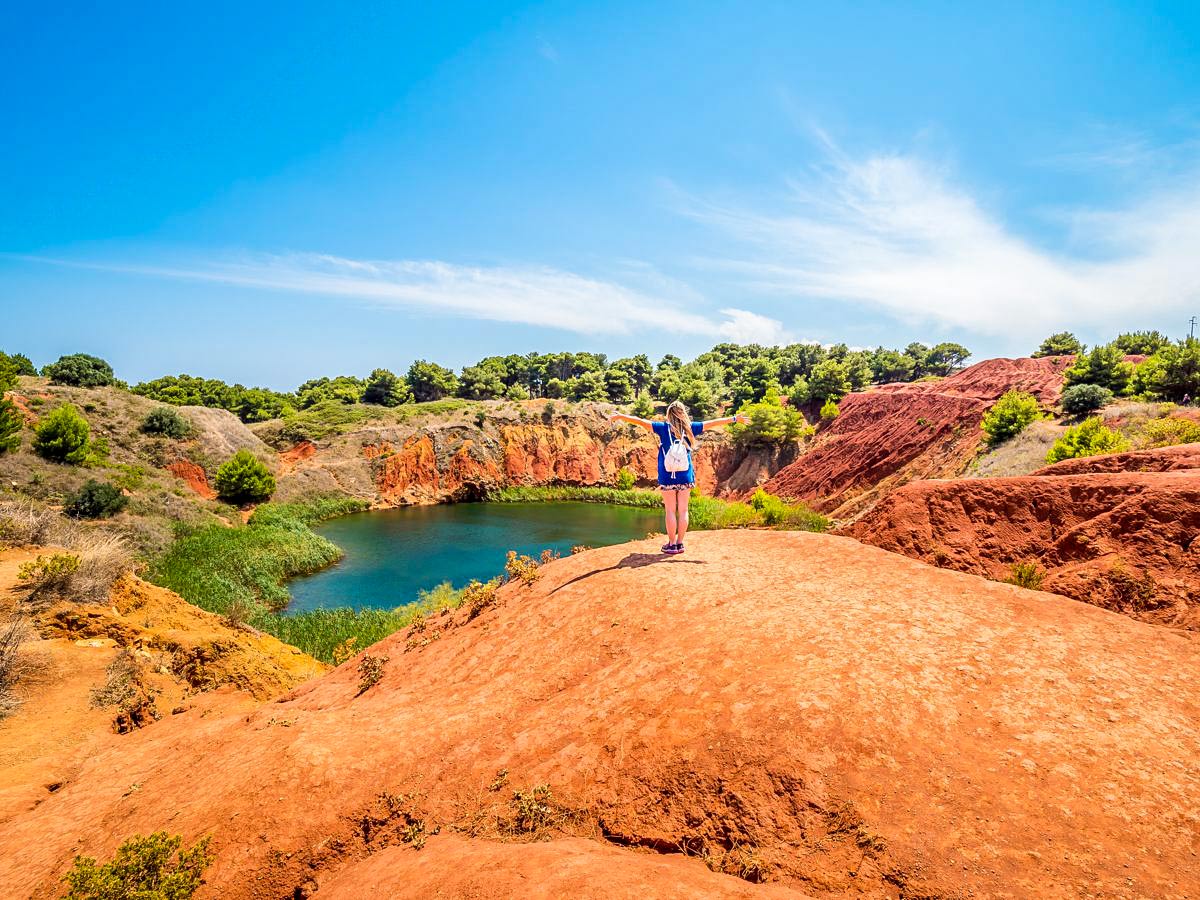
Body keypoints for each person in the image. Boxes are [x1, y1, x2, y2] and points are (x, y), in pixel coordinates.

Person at [609, 400, 747, 555]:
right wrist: (735, 418)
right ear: (683, 413)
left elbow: (641, 422)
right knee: (683, 510)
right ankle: (680, 544)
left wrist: (621, 416)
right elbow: (714, 423)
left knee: (670, 510)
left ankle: (671, 544)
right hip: (685, 475)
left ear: (669, 413)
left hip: (667, 475)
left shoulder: (662, 428)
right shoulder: (690, 428)